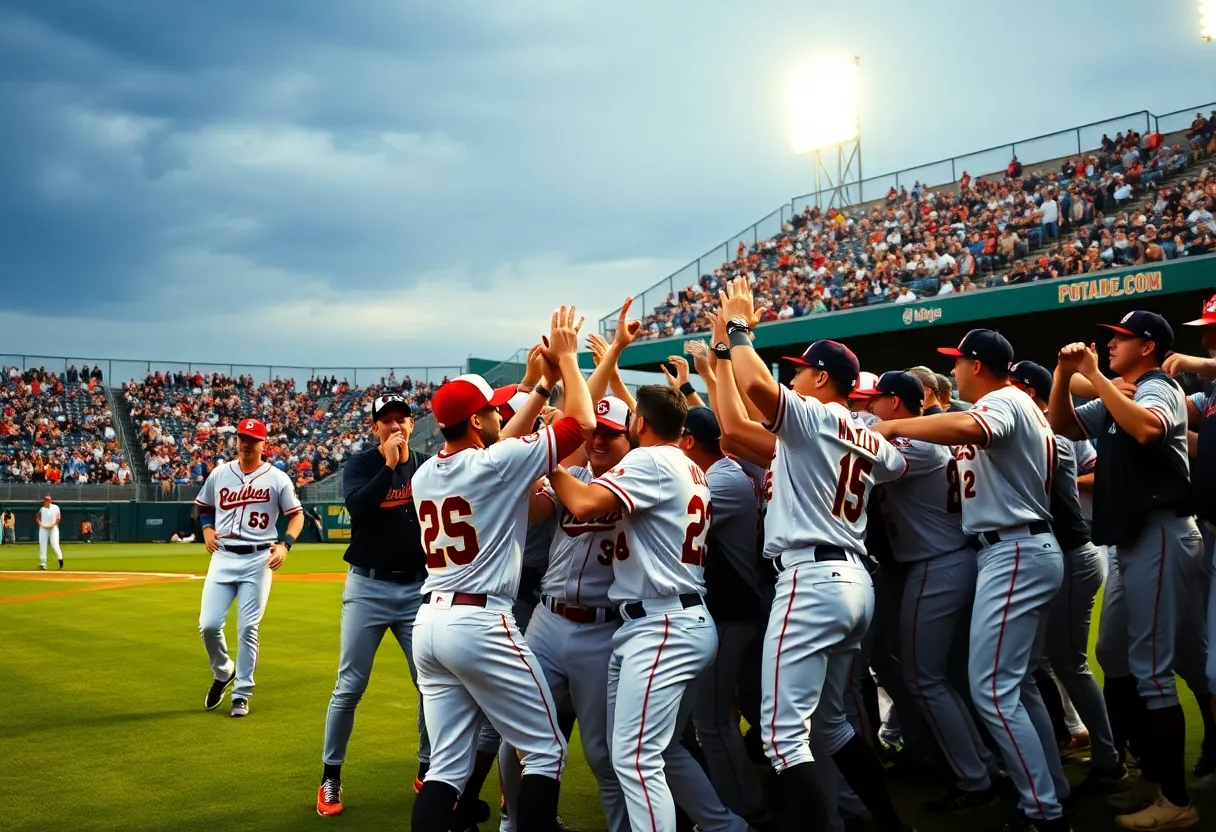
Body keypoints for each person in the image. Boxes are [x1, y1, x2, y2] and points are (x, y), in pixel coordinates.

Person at [717, 277, 914, 832]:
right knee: (829, 725)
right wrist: (719, 357)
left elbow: (756, 384)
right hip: (852, 582)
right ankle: (890, 825)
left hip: (810, 580)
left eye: (801, 370)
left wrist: (738, 330)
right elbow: (734, 430)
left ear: (821, 377)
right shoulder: (851, 432)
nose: (794, 377)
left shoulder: (816, 417)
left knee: (782, 739)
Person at [873, 329, 1070, 832]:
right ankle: (1054, 792)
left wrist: (902, 426)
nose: (954, 371)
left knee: (994, 691)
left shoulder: (1006, 398)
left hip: (1015, 548)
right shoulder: (1001, 402)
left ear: (978, 365)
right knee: (1017, 687)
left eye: (959, 362)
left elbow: (974, 429)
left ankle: (1043, 812)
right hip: (1011, 548)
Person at [408, 307, 595, 832]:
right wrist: (568, 364)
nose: (496, 415)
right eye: (489, 410)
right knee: (547, 752)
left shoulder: (426, 474)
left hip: (430, 625)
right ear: (475, 422)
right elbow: (578, 425)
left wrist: (535, 388)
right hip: (480, 621)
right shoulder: (493, 463)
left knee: (446, 768)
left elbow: (500, 446)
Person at [548, 383, 751, 832]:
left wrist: (544, 459)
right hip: (672, 619)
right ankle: (727, 827)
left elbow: (581, 503)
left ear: (639, 424)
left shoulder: (652, 459)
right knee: (664, 750)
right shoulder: (688, 465)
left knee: (635, 759)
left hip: (662, 623)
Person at [1049, 311, 1203, 829]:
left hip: (1162, 531)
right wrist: (1059, 374)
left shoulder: (1157, 385)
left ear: (1148, 345)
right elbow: (1061, 424)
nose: (1110, 343)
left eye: (1121, 337)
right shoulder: (1121, 394)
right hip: (1134, 539)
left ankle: (1176, 800)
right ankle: (1153, 775)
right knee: (1114, 652)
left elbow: (1147, 429)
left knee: (1154, 669)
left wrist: (1092, 375)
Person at [857, 371, 999, 814]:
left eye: (876, 401)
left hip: (937, 564)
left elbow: (854, 461)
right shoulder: (920, 439)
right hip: (944, 560)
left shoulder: (915, 445)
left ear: (896, 403)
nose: (870, 408)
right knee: (945, 676)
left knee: (925, 678)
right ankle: (984, 766)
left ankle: (975, 779)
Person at [316, 394, 433, 817]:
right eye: (387, 420)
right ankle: (331, 776)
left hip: (417, 589)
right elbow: (359, 510)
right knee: (349, 686)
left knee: (429, 684)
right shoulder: (362, 465)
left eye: (402, 418)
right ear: (375, 428)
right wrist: (387, 465)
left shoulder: (425, 463)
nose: (396, 425)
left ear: (413, 422)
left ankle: (428, 765)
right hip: (368, 587)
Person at [1008, 361, 1121, 789]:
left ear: (1035, 394)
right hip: (1064, 553)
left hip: (1074, 554)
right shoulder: (1035, 428)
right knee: (1043, 661)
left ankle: (1110, 756)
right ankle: (1070, 740)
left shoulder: (1045, 432)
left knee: (1069, 662)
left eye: (1020, 387)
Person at [680, 406, 768, 824]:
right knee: (736, 707)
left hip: (732, 609)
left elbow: (678, 524)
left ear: (689, 440)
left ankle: (743, 809)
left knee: (712, 721)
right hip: (733, 606)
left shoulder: (723, 478)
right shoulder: (722, 472)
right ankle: (751, 797)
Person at [194, 418, 305, 718]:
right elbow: (204, 506)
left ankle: (241, 693)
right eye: (242, 437)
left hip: (259, 559)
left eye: (253, 439)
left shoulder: (278, 478)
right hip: (223, 556)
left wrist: (286, 544)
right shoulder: (220, 473)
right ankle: (223, 671)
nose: (246, 443)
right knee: (209, 625)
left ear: (263, 444)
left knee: (247, 628)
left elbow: (296, 515)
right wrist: (206, 529)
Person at [1164, 293, 1216, 787]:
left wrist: (1197, 361)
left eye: (1211, 330)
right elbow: (1185, 426)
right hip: (1208, 531)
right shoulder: (1210, 394)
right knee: (1200, 656)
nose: (1203, 338)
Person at [35, 495, 64, 570]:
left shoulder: (55, 507)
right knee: (42, 544)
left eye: (46, 501)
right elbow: (37, 518)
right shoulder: (41, 509)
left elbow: (58, 518)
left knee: (54, 544)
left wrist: (52, 525)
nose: (45, 502)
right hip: (43, 528)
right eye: (44, 501)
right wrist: (41, 525)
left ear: (50, 501)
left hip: (53, 528)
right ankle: (43, 564)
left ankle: (60, 560)